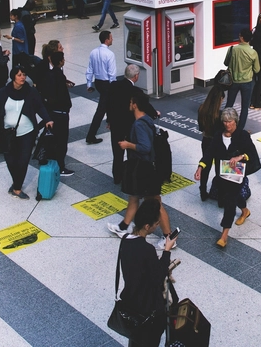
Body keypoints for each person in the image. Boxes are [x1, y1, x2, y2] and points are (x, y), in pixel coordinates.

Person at [111, 88, 173, 240]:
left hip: (145, 168)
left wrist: (128, 145)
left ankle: (168, 237)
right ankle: (123, 226)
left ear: (135, 105)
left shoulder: (139, 124)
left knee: (155, 202)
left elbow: (145, 147)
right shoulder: (147, 119)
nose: (129, 104)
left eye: (131, 102)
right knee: (134, 197)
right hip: (145, 167)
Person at [194, 106, 259, 247]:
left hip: (237, 173)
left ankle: (224, 235)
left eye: (230, 121)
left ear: (235, 121)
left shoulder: (242, 135)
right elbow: (209, 153)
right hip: (222, 173)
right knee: (232, 196)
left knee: (229, 201)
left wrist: (240, 156)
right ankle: (245, 211)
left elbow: (252, 153)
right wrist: (200, 167)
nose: (227, 124)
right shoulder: (218, 135)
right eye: (225, 121)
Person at [115, 198, 175, 347]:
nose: (157, 226)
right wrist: (167, 251)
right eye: (156, 224)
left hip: (130, 300)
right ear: (147, 226)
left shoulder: (125, 240)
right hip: (147, 306)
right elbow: (157, 278)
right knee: (149, 341)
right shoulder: (147, 249)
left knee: (135, 338)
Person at [0, 64, 54, 199]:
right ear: (13, 77)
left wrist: (47, 119)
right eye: (19, 75)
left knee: (23, 161)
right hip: (7, 133)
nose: (22, 77)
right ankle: (16, 182)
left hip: (27, 132)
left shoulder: (31, 92)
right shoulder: (3, 92)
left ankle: (17, 188)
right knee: (11, 161)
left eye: (24, 75)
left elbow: (40, 106)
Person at [107, 64, 158, 185]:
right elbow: (146, 106)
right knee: (132, 153)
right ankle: (130, 177)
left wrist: (109, 120)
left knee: (117, 154)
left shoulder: (113, 86)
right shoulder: (136, 92)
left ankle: (117, 177)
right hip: (130, 128)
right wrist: (155, 114)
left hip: (116, 126)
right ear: (136, 76)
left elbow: (108, 104)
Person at [35, 44, 74, 177]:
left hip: (52, 111)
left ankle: (48, 158)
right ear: (61, 61)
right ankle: (61, 166)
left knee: (53, 138)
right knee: (62, 141)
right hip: (61, 113)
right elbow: (61, 96)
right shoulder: (59, 75)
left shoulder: (50, 74)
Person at [85, 30, 117, 144]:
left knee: (108, 103)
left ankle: (110, 121)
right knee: (101, 109)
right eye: (111, 37)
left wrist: (89, 84)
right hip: (107, 83)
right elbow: (112, 73)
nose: (112, 39)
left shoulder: (93, 52)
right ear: (107, 40)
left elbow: (90, 69)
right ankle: (90, 135)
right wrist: (114, 87)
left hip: (98, 82)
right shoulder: (110, 54)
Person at [225, 29, 260, 130]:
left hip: (233, 81)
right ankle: (240, 129)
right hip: (247, 82)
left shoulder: (232, 49)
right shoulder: (253, 52)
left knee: (229, 105)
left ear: (241, 37)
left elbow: (226, 63)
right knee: (244, 107)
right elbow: (257, 69)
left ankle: (225, 124)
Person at [196, 84, 224, 199]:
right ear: (220, 99)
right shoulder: (220, 114)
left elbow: (201, 128)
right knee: (219, 168)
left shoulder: (202, 109)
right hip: (218, 144)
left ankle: (203, 191)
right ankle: (220, 196)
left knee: (205, 166)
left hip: (206, 140)